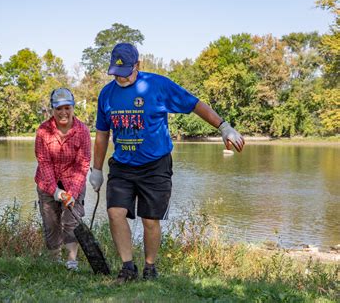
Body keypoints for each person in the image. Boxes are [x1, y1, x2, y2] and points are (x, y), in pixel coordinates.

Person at [89, 43, 245, 282]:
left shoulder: (157, 86)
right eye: (116, 74)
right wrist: (97, 169)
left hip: (155, 164)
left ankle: (149, 267)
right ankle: (128, 267)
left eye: (126, 73)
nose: (120, 79)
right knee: (114, 212)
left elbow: (194, 104)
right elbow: (102, 135)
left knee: (150, 220)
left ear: (138, 66)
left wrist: (223, 127)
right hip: (122, 165)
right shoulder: (106, 95)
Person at [34, 87, 91, 271]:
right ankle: (54, 260)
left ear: (73, 107)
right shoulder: (43, 131)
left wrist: (71, 193)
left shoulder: (82, 131)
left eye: (67, 107)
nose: (63, 112)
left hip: (73, 181)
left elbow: (83, 164)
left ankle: (72, 261)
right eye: (59, 108)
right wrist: (54, 190)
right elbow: (44, 161)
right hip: (47, 183)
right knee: (51, 222)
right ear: (52, 109)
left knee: (71, 222)